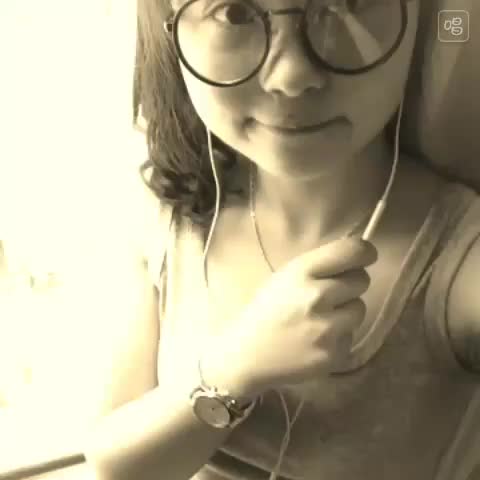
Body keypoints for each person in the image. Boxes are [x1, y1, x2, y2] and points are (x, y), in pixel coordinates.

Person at [83, 1, 480, 479]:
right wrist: (234, 369)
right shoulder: (172, 212)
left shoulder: (457, 258)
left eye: (347, 3)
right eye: (235, 13)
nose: (291, 77)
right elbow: (113, 463)